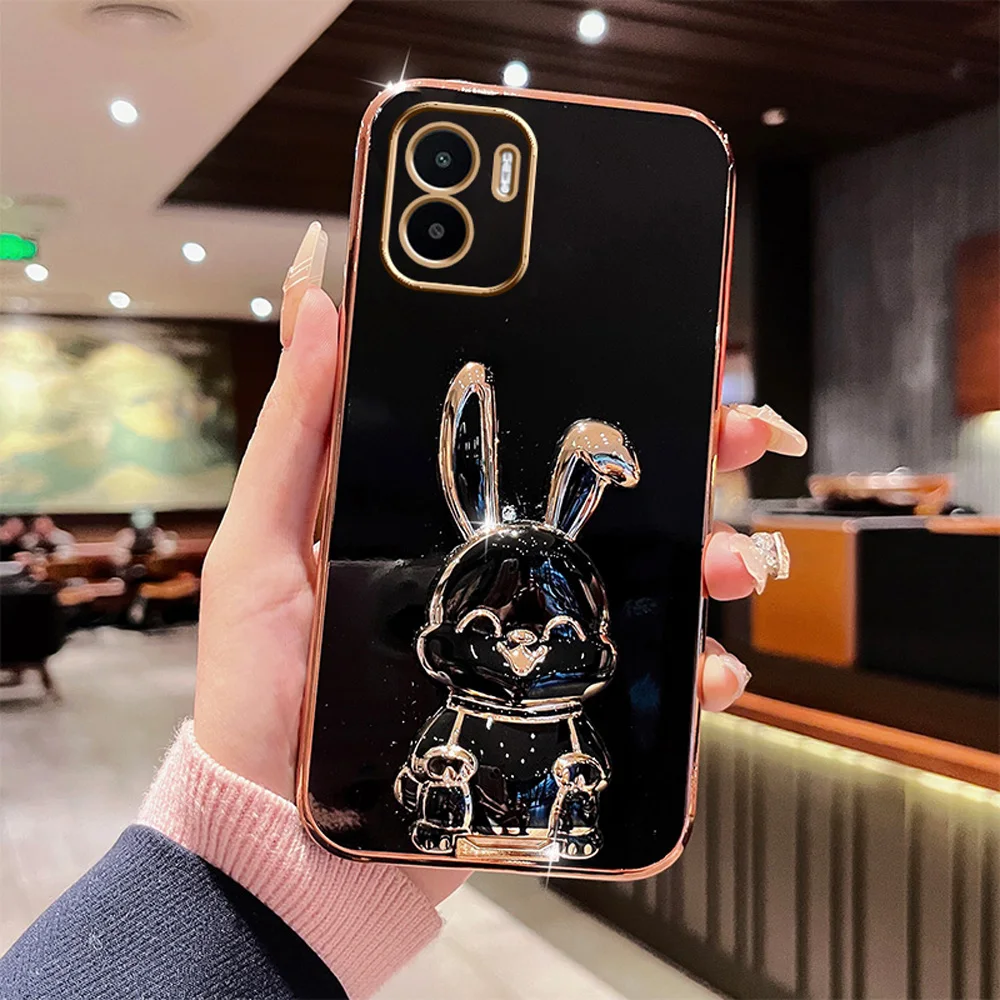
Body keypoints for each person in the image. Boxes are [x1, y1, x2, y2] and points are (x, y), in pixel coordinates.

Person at [0, 223, 807, 999]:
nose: (523, 651)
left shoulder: (560, 702)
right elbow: (440, 750)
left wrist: (577, 777)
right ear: (444, 640)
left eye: (558, 634)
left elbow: (574, 750)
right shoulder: (458, 701)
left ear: (591, 647)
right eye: (488, 629)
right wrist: (277, 863)